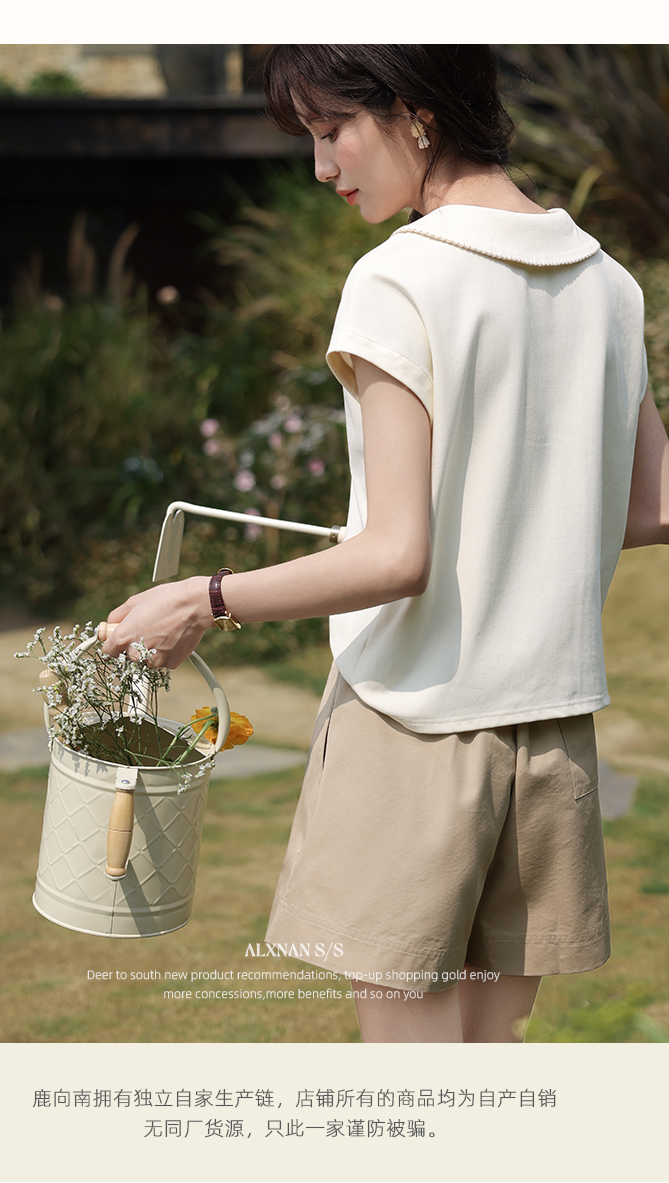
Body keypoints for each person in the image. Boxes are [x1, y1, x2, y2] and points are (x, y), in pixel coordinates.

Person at [103, 45, 669, 1043]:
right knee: (486, 1068)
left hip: (416, 719)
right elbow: (653, 508)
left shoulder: (401, 276)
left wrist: (204, 597)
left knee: (413, 1079)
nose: (323, 167)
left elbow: (397, 556)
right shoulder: (607, 283)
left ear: (415, 113)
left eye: (333, 132)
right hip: (550, 731)